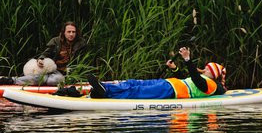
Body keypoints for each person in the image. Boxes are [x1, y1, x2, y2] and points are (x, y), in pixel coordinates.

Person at [87, 47, 226, 99]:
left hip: (171, 90)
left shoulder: (212, 85)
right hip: (170, 83)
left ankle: (106, 92)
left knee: (137, 91)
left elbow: (196, 81)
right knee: (134, 82)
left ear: (214, 75)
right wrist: (174, 68)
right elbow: (187, 79)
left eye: (208, 69)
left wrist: (188, 60)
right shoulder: (205, 79)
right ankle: (102, 87)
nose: (205, 69)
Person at [0, 21, 86, 86]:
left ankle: (44, 80)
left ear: (76, 32)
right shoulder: (56, 41)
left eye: (73, 32)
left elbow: (84, 62)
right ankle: (11, 80)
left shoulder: (81, 43)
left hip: (69, 73)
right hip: (53, 70)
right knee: (42, 78)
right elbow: (45, 54)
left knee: (52, 80)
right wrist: (40, 59)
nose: (71, 34)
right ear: (64, 32)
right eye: (69, 32)